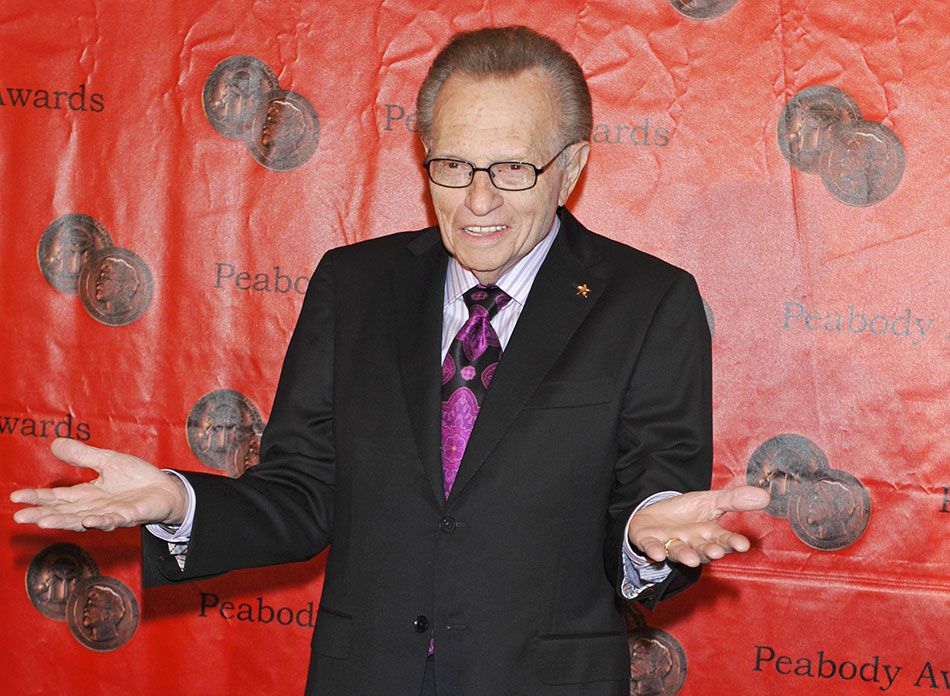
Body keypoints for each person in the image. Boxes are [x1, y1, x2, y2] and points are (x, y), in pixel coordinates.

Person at [12, 26, 769, 696]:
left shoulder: (647, 302)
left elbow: (649, 502)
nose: (477, 200)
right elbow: (303, 495)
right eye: (452, 165)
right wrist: (177, 503)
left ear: (570, 167)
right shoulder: (355, 285)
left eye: (512, 169)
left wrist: (643, 531)